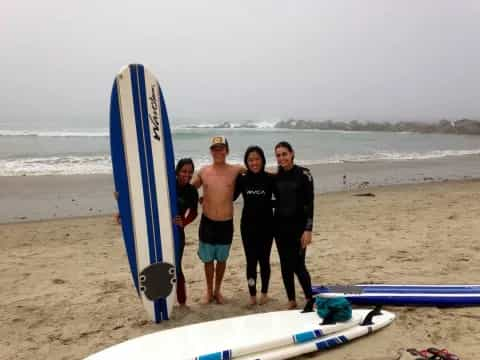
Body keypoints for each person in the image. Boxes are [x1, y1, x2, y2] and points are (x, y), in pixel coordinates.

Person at [192, 136, 244, 304]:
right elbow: (187, 188)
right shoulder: (203, 172)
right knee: (208, 260)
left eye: (221, 148)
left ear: (227, 151)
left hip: (226, 223)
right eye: (215, 148)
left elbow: (257, 170)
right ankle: (208, 291)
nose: (218, 151)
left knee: (221, 260)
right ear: (211, 151)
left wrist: (282, 172)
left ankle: (217, 290)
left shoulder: (236, 170)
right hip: (208, 222)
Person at [273, 141, 314, 309]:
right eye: (278, 155)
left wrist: (308, 229)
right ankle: (291, 300)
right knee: (285, 264)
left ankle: (310, 298)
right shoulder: (276, 178)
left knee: (298, 264)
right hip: (280, 227)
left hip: (298, 228)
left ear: (292, 154)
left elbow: (310, 203)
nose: (281, 158)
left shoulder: (304, 174)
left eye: (284, 154)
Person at [234, 146, 274, 306]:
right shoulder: (242, 179)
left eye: (257, 159)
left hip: (267, 226)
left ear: (262, 160)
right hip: (248, 227)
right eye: (250, 160)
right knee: (251, 262)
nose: (254, 162)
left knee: (264, 261)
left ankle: (264, 292)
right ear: (247, 162)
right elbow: (230, 197)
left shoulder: (270, 179)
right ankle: (252, 294)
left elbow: (281, 198)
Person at [173, 158, 199, 306]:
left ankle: (181, 300)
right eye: (184, 171)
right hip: (162, 230)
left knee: (176, 265)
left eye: (190, 172)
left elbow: (194, 212)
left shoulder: (191, 191)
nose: (187, 175)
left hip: (177, 232)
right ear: (177, 172)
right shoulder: (168, 184)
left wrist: (184, 222)